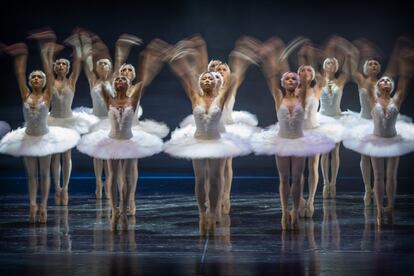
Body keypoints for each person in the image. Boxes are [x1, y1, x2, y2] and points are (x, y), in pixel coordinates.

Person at [161, 38, 252, 235]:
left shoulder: (222, 95)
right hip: (199, 140)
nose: (210, 79)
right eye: (206, 77)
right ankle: (202, 212)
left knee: (217, 177)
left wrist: (238, 61)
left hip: (219, 138)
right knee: (201, 178)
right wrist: (177, 56)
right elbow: (187, 75)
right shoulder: (196, 96)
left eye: (213, 77)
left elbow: (235, 78)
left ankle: (216, 207)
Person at [250, 37, 335, 230]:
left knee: (301, 175)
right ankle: (285, 212)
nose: (291, 80)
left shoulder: (305, 95)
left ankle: (299, 209)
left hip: (301, 137)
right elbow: (272, 75)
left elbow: (310, 80)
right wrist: (271, 55)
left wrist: (311, 53)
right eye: (287, 78)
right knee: (284, 178)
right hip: (283, 139)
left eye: (294, 78)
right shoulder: (280, 96)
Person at [0, 42, 79, 223]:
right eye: (33, 77)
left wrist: (46, 54)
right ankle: (32, 205)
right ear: (30, 81)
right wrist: (20, 56)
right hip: (28, 137)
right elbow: (19, 74)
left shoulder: (47, 96)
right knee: (31, 175)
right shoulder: (25, 95)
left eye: (39, 77)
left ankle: (43, 206)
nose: (36, 79)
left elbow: (50, 75)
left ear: (44, 82)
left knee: (44, 174)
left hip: (44, 138)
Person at [29, 29, 99, 206]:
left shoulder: (72, 81)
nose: (61, 66)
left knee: (66, 155)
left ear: (67, 68)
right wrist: (43, 44)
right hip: (52, 120)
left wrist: (78, 44)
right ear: (55, 67)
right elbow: (46, 62)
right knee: (54, 155)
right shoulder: (51, 81)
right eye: (58, 64)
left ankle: (65, 188)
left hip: (68, 120)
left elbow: (78, 62)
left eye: (63, 64)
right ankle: (56, 188)